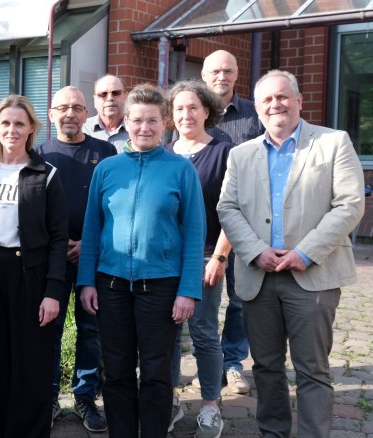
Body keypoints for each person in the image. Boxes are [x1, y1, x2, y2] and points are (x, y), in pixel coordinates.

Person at [217, 70, 364, 437]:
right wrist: (255, 251)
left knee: (312, 368)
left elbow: (349, 205)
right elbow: (228, 208)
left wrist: (305, 252)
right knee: (265, 366)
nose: (275, 105)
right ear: (257, 108)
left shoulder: (333, 143)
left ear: (299, 100)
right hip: (259, 276)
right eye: (266, 100)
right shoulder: (241, 154)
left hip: (312, 275)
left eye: (282, 97)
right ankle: (273, 432)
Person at [78, 84, 205, 437]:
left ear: (164, 122)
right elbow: (92, 228)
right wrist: (86, 280)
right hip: (111, 285)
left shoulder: (181, 170)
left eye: (152, 120)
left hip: (161, 286)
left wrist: (188, 290)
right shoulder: (107, 169)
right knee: (116, 370)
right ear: (127, 121)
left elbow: (195, 233)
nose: (144, 127)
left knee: (156, 372)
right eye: (137, 120)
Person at [0, 94, 68, 437]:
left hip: (30, 276)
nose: (12, 130)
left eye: (20, 123)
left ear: (32, 128)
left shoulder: (46, 174)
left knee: (31, 363)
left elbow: (59, 237)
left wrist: (53, 291)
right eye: (5, 123)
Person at [37, 86, 114, 432]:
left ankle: (85, 397)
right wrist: (57, 244)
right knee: (48, 329)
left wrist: (88, 243)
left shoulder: (105, 152)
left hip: (92, 255)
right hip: (51, 258)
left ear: (87, 114)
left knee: (91, 330)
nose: (70, 113)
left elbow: (113, 207)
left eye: (77, 108)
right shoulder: (39, 154)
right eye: (63, 108)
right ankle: (49, 398)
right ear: (51, 114)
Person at [166, 80, 235, 437]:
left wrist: (220, 257)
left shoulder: (223, 153)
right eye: (179, 108)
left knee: (204, 333)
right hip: (164, 260)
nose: (186, 114)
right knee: (167, 335)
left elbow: (233, 210)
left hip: (206, 256)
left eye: (193, 107)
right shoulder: (163, 152)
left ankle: (210, 406)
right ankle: (169, 401)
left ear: (207, 110)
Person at [201, 50, 264, 396]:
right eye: (214, 71)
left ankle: (233, 362)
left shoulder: (256, 115)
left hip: (246, 223)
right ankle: (206, 360)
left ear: (237, 74)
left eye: (227, 70)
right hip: (203, 223)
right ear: (204, 76)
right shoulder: (196, 111)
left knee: (240, 299)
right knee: (203, 299)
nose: (221, 76)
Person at [83, 74, 129, 151]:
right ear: (95, 100)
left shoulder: (137, 130)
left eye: (116, 93)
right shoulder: (83, 129)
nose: (110, 98)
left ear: (126, 97)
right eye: (103, 94)